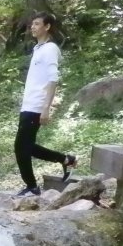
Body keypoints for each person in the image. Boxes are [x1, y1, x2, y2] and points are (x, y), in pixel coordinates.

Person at [13, 12, 77, 197]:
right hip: (28, 104)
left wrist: (46, 108)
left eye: (37, 24)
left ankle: (32, 187)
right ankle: (66, 159)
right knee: (26, 146)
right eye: (32, 24)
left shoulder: (50, 49)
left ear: (47, 27)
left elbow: (53, 79)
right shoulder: (38, 48)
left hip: (37, 105)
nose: (32, 27)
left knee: (21, 147)